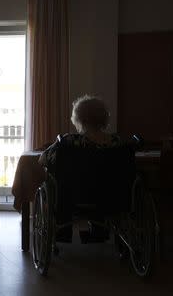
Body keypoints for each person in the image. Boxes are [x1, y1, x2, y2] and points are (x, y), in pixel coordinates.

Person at [39, 95, 122, 242]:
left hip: (72, 195)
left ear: (79, 118)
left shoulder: (68, 141)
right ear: (104, 118)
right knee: (102, 186)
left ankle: (63, 232)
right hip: (111, 195)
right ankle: (100, 230)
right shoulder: (117, 143)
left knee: (58, 184)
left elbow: (43, 159)